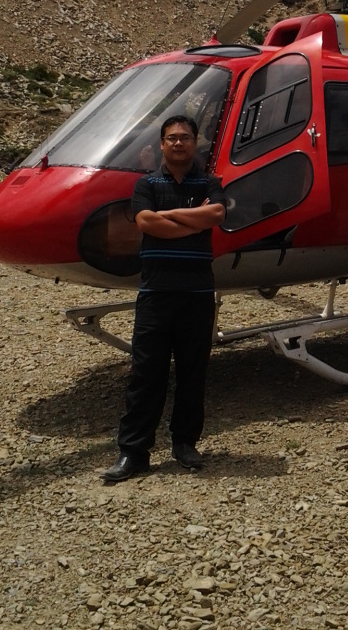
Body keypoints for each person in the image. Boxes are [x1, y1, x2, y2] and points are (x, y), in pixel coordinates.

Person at [102, 115, 226, 482]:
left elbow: (216, 214)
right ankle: (133, 452)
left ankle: (185, 444)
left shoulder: (211, 182)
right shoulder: (146, 184)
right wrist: (193, 219)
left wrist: (168, 215)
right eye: (171, 138)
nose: (177, 144)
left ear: (195, 142)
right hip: (156, 295)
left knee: (193, 372)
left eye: (184, 138)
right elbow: (145, 223)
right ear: (161, 144)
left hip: (197, 294)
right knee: (145, 374)